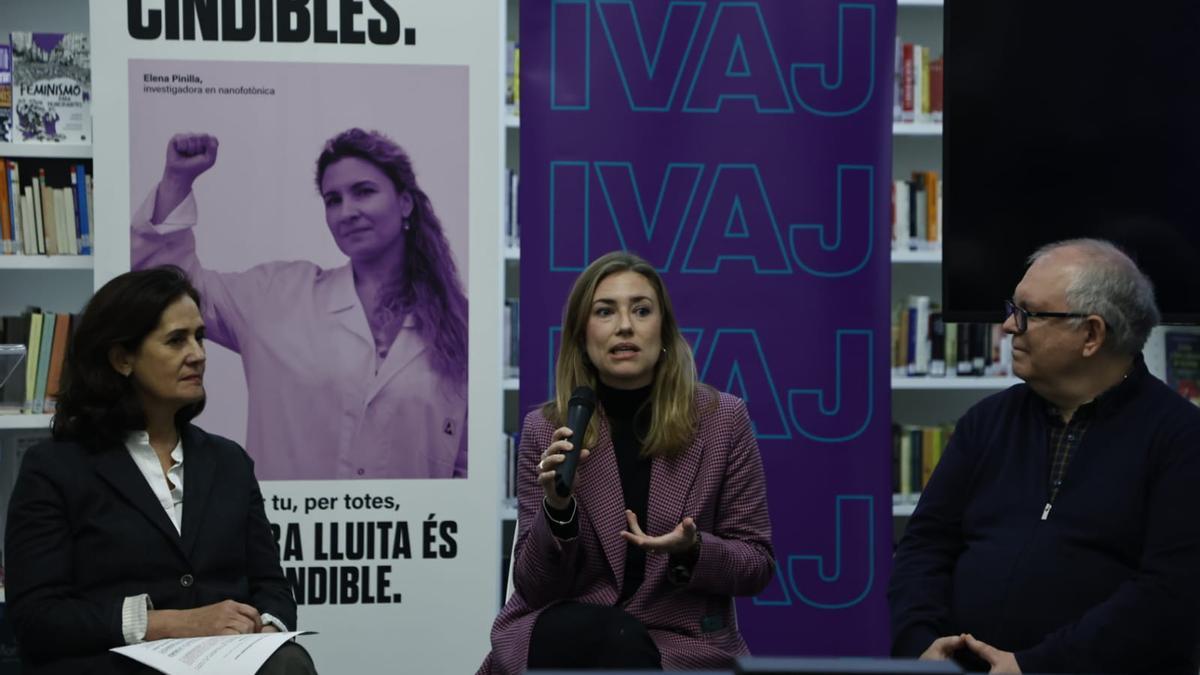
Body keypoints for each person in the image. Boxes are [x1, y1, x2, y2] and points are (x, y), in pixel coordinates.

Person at [888, 238, 1200, 674]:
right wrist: (921, 647)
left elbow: (1170, 595)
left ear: (1091, 334)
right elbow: (924, 547)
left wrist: (1035, 666)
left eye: (1028, 314)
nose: (1008, 327)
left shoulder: (1181, 439)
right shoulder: (986, 422)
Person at [4, 266, 316, 675]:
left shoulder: (229, 462)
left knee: (288, 663)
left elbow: (271, 586)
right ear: (122, 358)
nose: (199, 354)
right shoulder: (55, 468)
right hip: (109, 665)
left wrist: (261, 630)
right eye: (176, 340)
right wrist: (168, 624)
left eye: (200, 337)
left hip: (224, 667)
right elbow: (36, 619)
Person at [479, 251, 775, 673]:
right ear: (582, 336)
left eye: (641, 310)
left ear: (665, 332)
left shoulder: (721, 421)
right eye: (605, 311)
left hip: (677, 644)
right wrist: (557, 512)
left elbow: (756, 564)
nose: (624, 326)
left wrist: (691, 550)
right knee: (599, 636)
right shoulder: (548, 429)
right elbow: (535, 586)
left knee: (619, 645)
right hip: (566, 637)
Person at [130, 128, 468, 480]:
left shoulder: (461, 325)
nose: (347, 211)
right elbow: (168, 287)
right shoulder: (275, 297)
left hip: (408, 533)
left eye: (364, 192)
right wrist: (177, 180)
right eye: (333, 200)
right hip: (286, 531)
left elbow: (464, 463)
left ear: (405, 203)